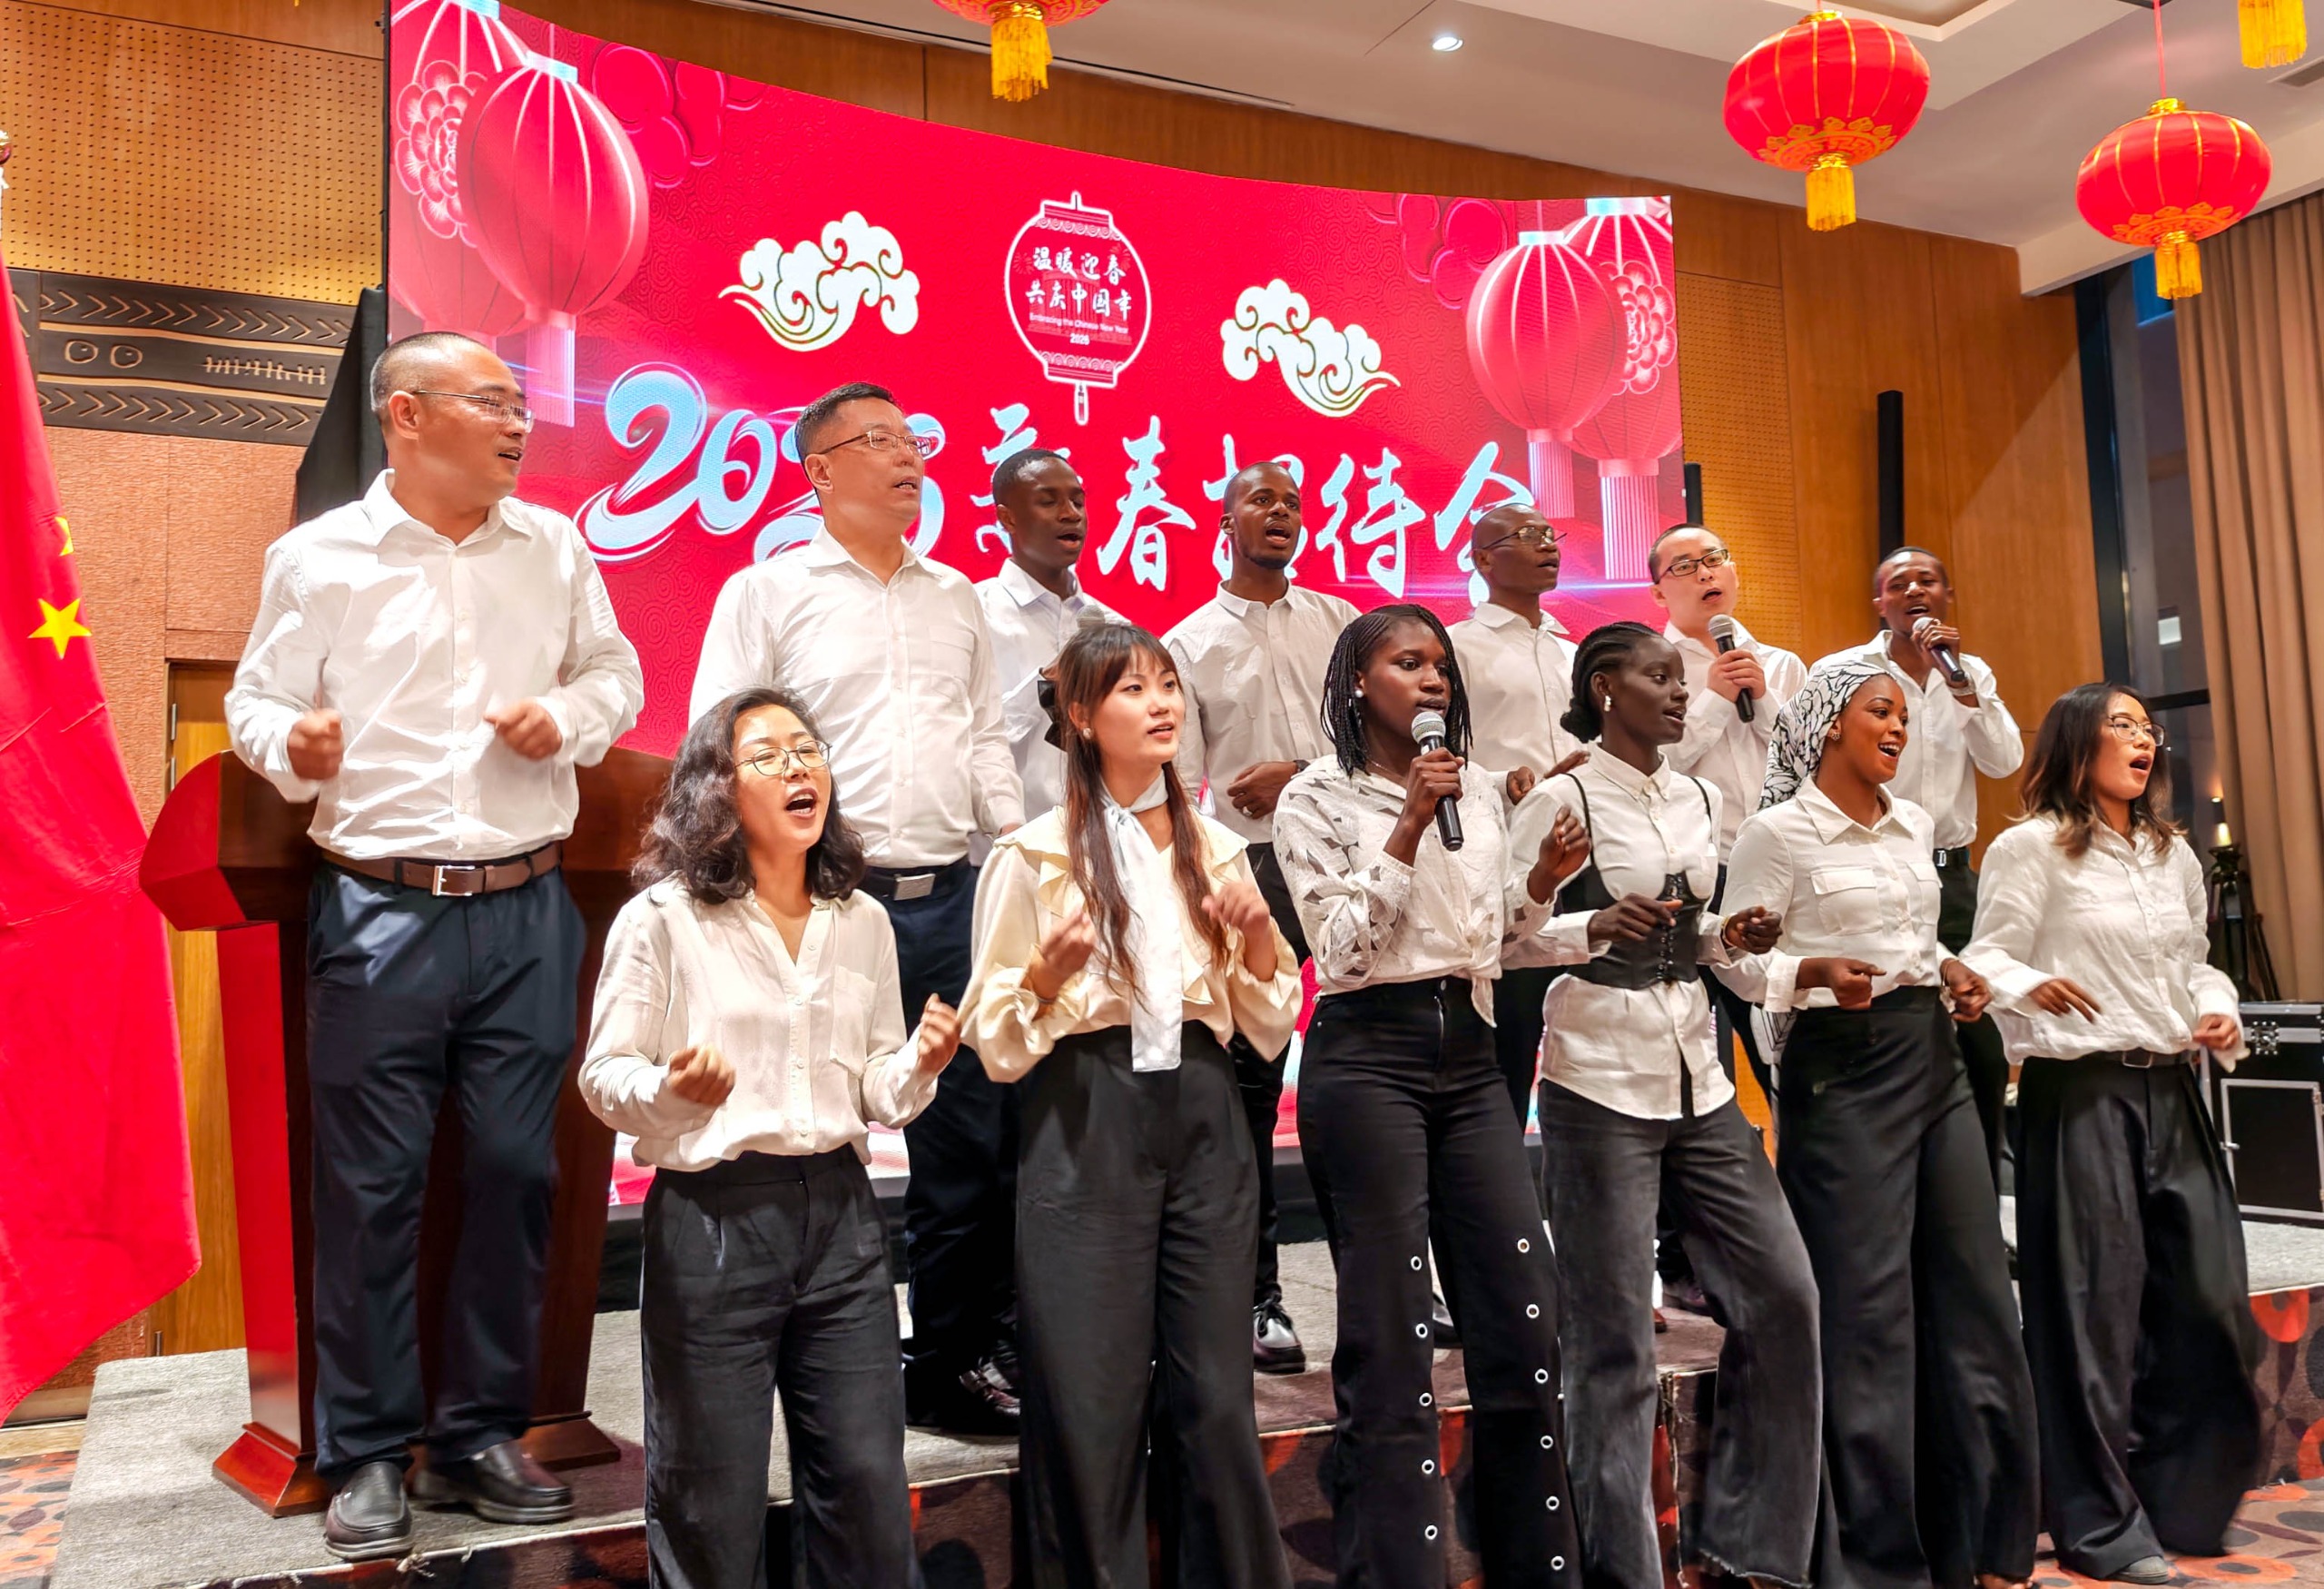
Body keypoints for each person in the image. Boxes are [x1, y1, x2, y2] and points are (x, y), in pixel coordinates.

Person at [225, 331, 644, 1561]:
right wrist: (283, 745)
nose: (520, 423)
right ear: (405, 415)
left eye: (521, 404)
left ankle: (477, 1432)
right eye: (491, 402)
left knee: (519, 1173)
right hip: (377, 905)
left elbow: (614, 672)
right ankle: (363, 1447)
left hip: (526, 905)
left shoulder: (555, 547)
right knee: (372, 1191)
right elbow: (255, 697)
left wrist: (565, 716)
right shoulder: (318, 558)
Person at [689, 380, 1027, 1435]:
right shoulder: (770, 591)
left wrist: (1019, 855)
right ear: (820, 470)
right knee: (810, 1136)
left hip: (951, 896)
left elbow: (980, 739)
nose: (908, 455)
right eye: (876, 439)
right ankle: (805, 1361)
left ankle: (950, 1356)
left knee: (968, 1138)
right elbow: (722, 743)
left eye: (913, 437)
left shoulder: (956, 596)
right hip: (820, 904)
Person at [582, 688, 959, 1589]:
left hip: (840, 1214)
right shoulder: (665, 919)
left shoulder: (860, 919)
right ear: (716, 790)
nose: (799, 768)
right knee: (709, 1495)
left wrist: (920, 1062)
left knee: (867, 1481)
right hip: (712, 1220)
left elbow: (876, 1088)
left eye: (808, 749)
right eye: (769, 755)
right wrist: (671, 1092)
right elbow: (605, 1077)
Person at [961, 622, 1302, 1589]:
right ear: (1077, 713)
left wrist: (1265, 944)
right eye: (1131, 690)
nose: (1161, 705)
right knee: (1089, 1399)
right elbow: (995, 1038)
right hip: (1084, 1117)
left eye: (1167, 687)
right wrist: (1044, 970)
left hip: (1204, 1115)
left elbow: (1262, 1019)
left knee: (1217, 1399)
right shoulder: (1031, 856)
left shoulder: (1219, 849)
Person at [1273, 603, 1585, 1589]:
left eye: (1441, 663)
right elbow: (1342, 949)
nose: (1435, 678)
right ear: (1360, 683)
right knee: (1391, 1326)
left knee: (1522, 1315)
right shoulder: (1314, 799)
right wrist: (1408, 821)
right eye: (1409, 662)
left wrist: (1541, 887)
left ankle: (1536, 1566)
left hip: (1471, 1054)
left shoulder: (1481, 790)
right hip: (1369, 1059)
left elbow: (1491, 938)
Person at [1512, 622, 1821, 1589]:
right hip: (1597, 1079)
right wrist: (1581, 921)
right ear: (1604, 687)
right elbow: (1498, 938)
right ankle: (1622, 1574)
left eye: (1681, 679)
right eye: (1658, 676)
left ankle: (1748, 1552)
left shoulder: (1692, 794)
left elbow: (1713, 944)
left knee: (1784, 1296)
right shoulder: (1561, 797)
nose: (1680, 692)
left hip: (1701, 1073)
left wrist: (1743, 936)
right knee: (1610, 1348)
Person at [1718, 659, 2038, 1589]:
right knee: (1867, 1318)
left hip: (1928, 1056)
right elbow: (1732, 961)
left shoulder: (1914, 826)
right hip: (1841, 1072)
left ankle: (1974, 1539)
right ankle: (1873, 1560)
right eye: (1880, 711)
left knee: (1975, 1292)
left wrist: (1948, 969)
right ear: (1826, 727)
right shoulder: (1775, 833)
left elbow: (1914, 936)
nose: (1899, 727)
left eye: (1903, 715)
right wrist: (1808, 972)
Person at [1963, 685, 2260, 1585]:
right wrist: (2029, 988)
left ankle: (2176, 1497)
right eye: (2121, 725)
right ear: (2076, 742)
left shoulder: (2172, 855)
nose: (2141, 739)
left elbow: (2196, 966)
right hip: (2080, 1091)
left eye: (2146, 727)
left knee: (2209, 1293)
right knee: (2089, 1312)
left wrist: (2215, 1012)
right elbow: (1984, 956)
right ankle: (2098, 1523)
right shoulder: (2029, 848)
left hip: (2173, 1091)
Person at [1166, 459, 1357, 1375]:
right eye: (1260, 500)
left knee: (1371, 1076)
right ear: (1226, 516)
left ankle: (1396, 1282)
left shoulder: (1340, 623)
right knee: (1248, 1093)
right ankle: (1257, 1295)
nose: (1280, 512)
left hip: (1356, 865)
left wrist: (1300, 775)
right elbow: (1184, 790)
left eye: (1292, 500)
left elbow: (1373, 744)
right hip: (1249, 875)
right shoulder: (1187, 641)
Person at [1823, 548, 2022, 1186]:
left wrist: (1962, 686)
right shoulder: (1844, 671)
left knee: (1980, 1047)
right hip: (1872, 871)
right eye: (1898, 583)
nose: (1915, 590)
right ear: (1879, 604)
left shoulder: (1970, 673)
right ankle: (1899, 1206)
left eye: (1927, 580)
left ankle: (1980, 1210)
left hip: (1954, 878)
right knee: (1897, 1044)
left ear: (1947, 595)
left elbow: (2003, 762)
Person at [1649, 522, 1807, 1099]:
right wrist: (1714, 699)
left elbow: (1809, 763)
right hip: (1687, 876)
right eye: (1685, 566)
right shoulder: (1647, 668)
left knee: (1783, 1050)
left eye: (1714, 558)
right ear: (1659, 592)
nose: (1706, 572)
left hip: (1773, 871)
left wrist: (1762, 698)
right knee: (1684, 1056)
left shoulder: (1783, 665)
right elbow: (1651, 767)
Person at [1449, 502, 1586, 1123]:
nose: (1546, 545)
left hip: (1589, 853)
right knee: (1511, 1036)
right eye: (1525, 537)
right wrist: (1508, 785)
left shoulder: (1575, 650)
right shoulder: (1456, 648)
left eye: (1547, 534)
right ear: (1482, 560)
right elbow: (1441, 758)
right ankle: (1499, 1193)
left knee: (1589, 1027)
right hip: (1510, 864)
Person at [973, 448, 1119, 836]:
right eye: (1048, 501)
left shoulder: (1109, 625)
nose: (1071, 514)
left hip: (1100, 846)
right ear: (1007, 517)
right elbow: (962, 737)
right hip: (1004, 848)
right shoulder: (973, 612)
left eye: (1078, 500)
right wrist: (1045, 685)